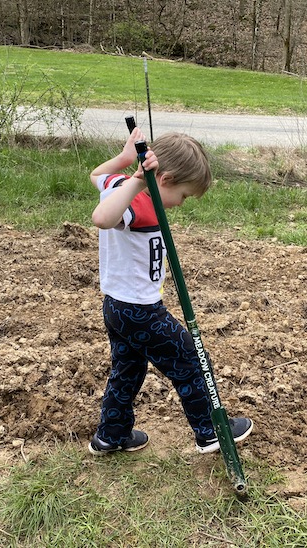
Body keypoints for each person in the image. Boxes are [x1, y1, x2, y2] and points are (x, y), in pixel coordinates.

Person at [87, 127, 253, 455]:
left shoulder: (119, 188)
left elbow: (98, 175)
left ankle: (111, 435)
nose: (182, 203)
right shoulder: (136, 202)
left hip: (118, 307)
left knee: (128, 369)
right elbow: (102, 218)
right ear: (165, 179)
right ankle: (210, 431)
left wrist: (121, 160)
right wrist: (136, 178)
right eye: (184, 195)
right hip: (140, 310)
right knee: (189, 358)